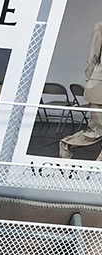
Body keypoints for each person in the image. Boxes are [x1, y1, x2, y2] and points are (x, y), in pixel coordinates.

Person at [60, 20, 102, 160]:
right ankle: (67, 144)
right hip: (99, 87)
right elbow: (93, 57)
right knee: (96, 131)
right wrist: (91, 81)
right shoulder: (100, 26)